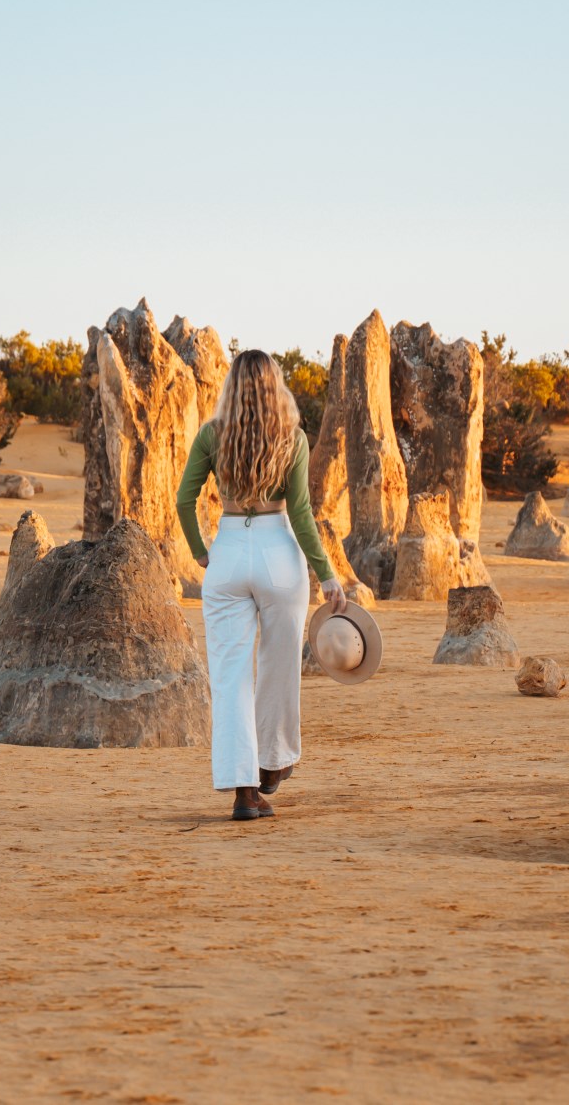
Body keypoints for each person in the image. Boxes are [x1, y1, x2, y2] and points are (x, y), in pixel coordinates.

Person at [176, 349, 347, 822]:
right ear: (276, 386)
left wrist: (201, 553)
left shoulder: (213, 435)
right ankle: (272, 763)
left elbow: (183, 500)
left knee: (230, 677)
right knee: (280, 664)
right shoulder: (292, 439)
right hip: (278, 554)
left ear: (231, 387)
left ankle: (245, 794)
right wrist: (327, 574)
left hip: (228, 549)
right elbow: (302, 514)